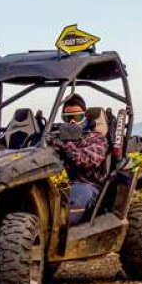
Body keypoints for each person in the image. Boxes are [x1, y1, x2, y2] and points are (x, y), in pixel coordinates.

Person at [51, 94, 108, 225]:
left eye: (77, 117)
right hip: (58, 186)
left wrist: (67, 145)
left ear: (84, 118)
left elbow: (87, 160)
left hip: (86, 186)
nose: (72, 122)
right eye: (68, 118)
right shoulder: (55, 138)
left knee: (70, 206)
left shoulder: (96, 138)